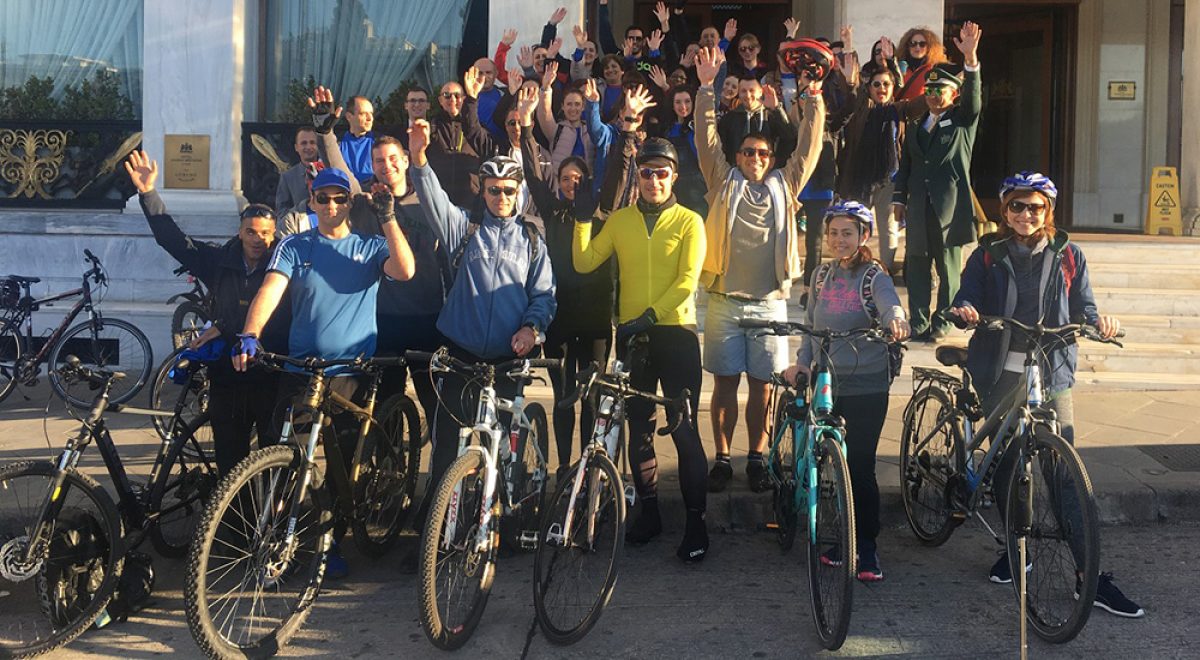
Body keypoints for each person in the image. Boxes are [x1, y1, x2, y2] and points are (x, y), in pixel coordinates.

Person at [947, 172, 1145, 618]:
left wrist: (1099, 323)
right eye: (1016, 206)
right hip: (1000, 372)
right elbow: (966, 296)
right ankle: (1015, 549)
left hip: (1051, 372)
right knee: (1006, 468)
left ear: (1047, 211)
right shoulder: (987, 254)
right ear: (1004, 210)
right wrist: (966, 310)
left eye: (1035, 207)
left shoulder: (1069, 254)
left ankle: (1088, 577)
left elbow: (1085, 306)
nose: (1025, 214)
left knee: (1063, 475)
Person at [232, 166, 416, 578]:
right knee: (289, 457)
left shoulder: (369, 245)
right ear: (311, 201)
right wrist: (250, 333)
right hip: (302, 367)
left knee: (341, 463)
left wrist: (388, 217)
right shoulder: (294, 245)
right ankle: (283, 537)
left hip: (350, 371)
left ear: (349, 202)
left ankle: (329, 542)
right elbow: (270, 290)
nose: (331, 205)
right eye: (323, 198)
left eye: (339, 198)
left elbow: (405, 270)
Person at [693, 45, 825, 493]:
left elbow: (809, 146)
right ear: (738, 155)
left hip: (769, 304)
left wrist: (813, 97)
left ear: (771, 157)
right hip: (724, 302)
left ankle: (756, 457)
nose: (755, 158)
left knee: (764, 388)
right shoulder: (721, 180)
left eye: (763, 153)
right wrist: (706, 89)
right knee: (724, 386)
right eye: (748, 152)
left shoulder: (785, 185)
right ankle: (722, 458)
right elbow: (705, 139)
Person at [407, 118, 558, 510]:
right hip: (462, 351)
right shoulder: (465, 229)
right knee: (447, 444)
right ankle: (435, 520)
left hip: (509, 356)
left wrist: (531, 328)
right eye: (494, 189)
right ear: (484, 190)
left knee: (503, 445)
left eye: (509, 190)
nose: (501, 197)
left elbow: (544, 294)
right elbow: (433, 198)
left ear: (518, 192)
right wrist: (419, 158)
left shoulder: (532, 239)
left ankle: (500, 517)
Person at [573, 134, 709, 562]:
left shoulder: (690, 221)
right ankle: (649, 514)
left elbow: (687, 281)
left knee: (684, 430)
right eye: (646, 173)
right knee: (640, 429)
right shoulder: (620, 221)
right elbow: (584, 261)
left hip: (675, 333)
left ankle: (697, 523)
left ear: (674, 177)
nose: (654, 181)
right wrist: (582, 220)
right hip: (634, 337)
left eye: (662, 173)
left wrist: (650, 315)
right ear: (638, 176)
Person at [125, 150, 289, 476]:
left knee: (273, 460)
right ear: (240, 232)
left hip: (269, 374)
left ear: (274, 236)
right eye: (251, 231)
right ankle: (230, 509)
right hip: (227, 375)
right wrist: (148, 194)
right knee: (229, 461)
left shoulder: (285, 266)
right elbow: (173, 240)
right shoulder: (219, 261)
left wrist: (227, 326)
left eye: (265, 233)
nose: (258, 239)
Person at [301, 86, 446, 425]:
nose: (386, 166)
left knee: (434, 404)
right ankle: (387, 458)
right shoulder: (367, 201)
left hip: (427, 317)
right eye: (379, 161)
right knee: (383, 408)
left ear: (405, 161)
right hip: (382, 319)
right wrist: (326, 134)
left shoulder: (429, 201)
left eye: (393, 159)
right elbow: (344, 177)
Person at [782, 201, 910, 581]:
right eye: (834, 233)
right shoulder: (821, 274)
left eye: (848, 233)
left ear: (863, 236)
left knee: (861, 466)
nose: (840, 240)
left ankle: (865, 546)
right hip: (826, 382)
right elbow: (811, 324)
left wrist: (897, 321)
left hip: (867, 382)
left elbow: (891, 306)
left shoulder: (874, 277)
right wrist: (803, 362)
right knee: (828, 463)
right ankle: (841, 534)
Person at [513, 86, 614, 477]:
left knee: (592, 396)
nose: (572, 183)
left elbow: (616, 168)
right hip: (560, 317)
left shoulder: (600, 213)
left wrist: (621, 131)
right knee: (563, 396)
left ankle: (588, 467)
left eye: (578, 177)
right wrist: (525, 128)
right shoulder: (553, 211)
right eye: (566, 178)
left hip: (595, 318)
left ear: (587, 179)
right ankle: (565, 465)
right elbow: (532, 175)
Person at [893, 21, 982, 342]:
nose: (932, 96)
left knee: (947, 269)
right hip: (919, 206)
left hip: (949, 208)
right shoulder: (918, 124)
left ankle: (943, 321)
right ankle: (918, 322)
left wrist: (970, 60)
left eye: (939, 90)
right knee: (916, 265)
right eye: (928, 91)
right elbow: (906, 165)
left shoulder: (961, 121)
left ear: (952, 93)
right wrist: (899, 199)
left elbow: (973, 100)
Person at [835, 37, 925, 272]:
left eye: (886, 84)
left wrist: (949, 85)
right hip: (860, 178)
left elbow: (923, 103)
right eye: (876, 84)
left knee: (888, 229)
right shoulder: (862, 108)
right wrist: (848, 55)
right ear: (870, 88)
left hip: (889, 179)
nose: (881, 88)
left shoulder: (899, 109)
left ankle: (885, 271)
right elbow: (851, 93)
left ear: (892, 88)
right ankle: (854, 268)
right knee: (856, 223)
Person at [426, 67, 499, 208]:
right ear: (440, 100)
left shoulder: (477, 129)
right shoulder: (431, 128)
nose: (452, 99)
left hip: (472, 201)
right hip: (440, 201)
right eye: (447, 95)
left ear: (464, 99)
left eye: (457, 95)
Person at [535, 62, 595, 175]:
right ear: (563, 107)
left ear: (583, 107)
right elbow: (544, 113)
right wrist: (546, 88)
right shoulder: (557, 129)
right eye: (569, 104)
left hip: (585, 182)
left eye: (577, 104)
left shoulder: (591, 129)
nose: (573, 108)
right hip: (560, 181)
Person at [275, 126, 322, 216]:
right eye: (304, 143)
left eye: (312, 142)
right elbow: (281, 212)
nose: (308, 147)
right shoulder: (287, 177)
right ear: (296, 147)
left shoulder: (329, 172)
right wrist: (303, 207)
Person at [895, 26, 949, 101]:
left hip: (923, 107)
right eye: (913, 43)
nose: (917, 47)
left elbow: (938, 95)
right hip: (900, 107)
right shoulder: (898, 67)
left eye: (922, 44)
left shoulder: (935, 69)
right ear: (907, 46)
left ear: (929, 47)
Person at [338, 95, 376, 183]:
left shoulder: (380, 142)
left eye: (371, 113)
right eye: (363, 113)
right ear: (349, 116)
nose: (370, 118)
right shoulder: (337, 144)